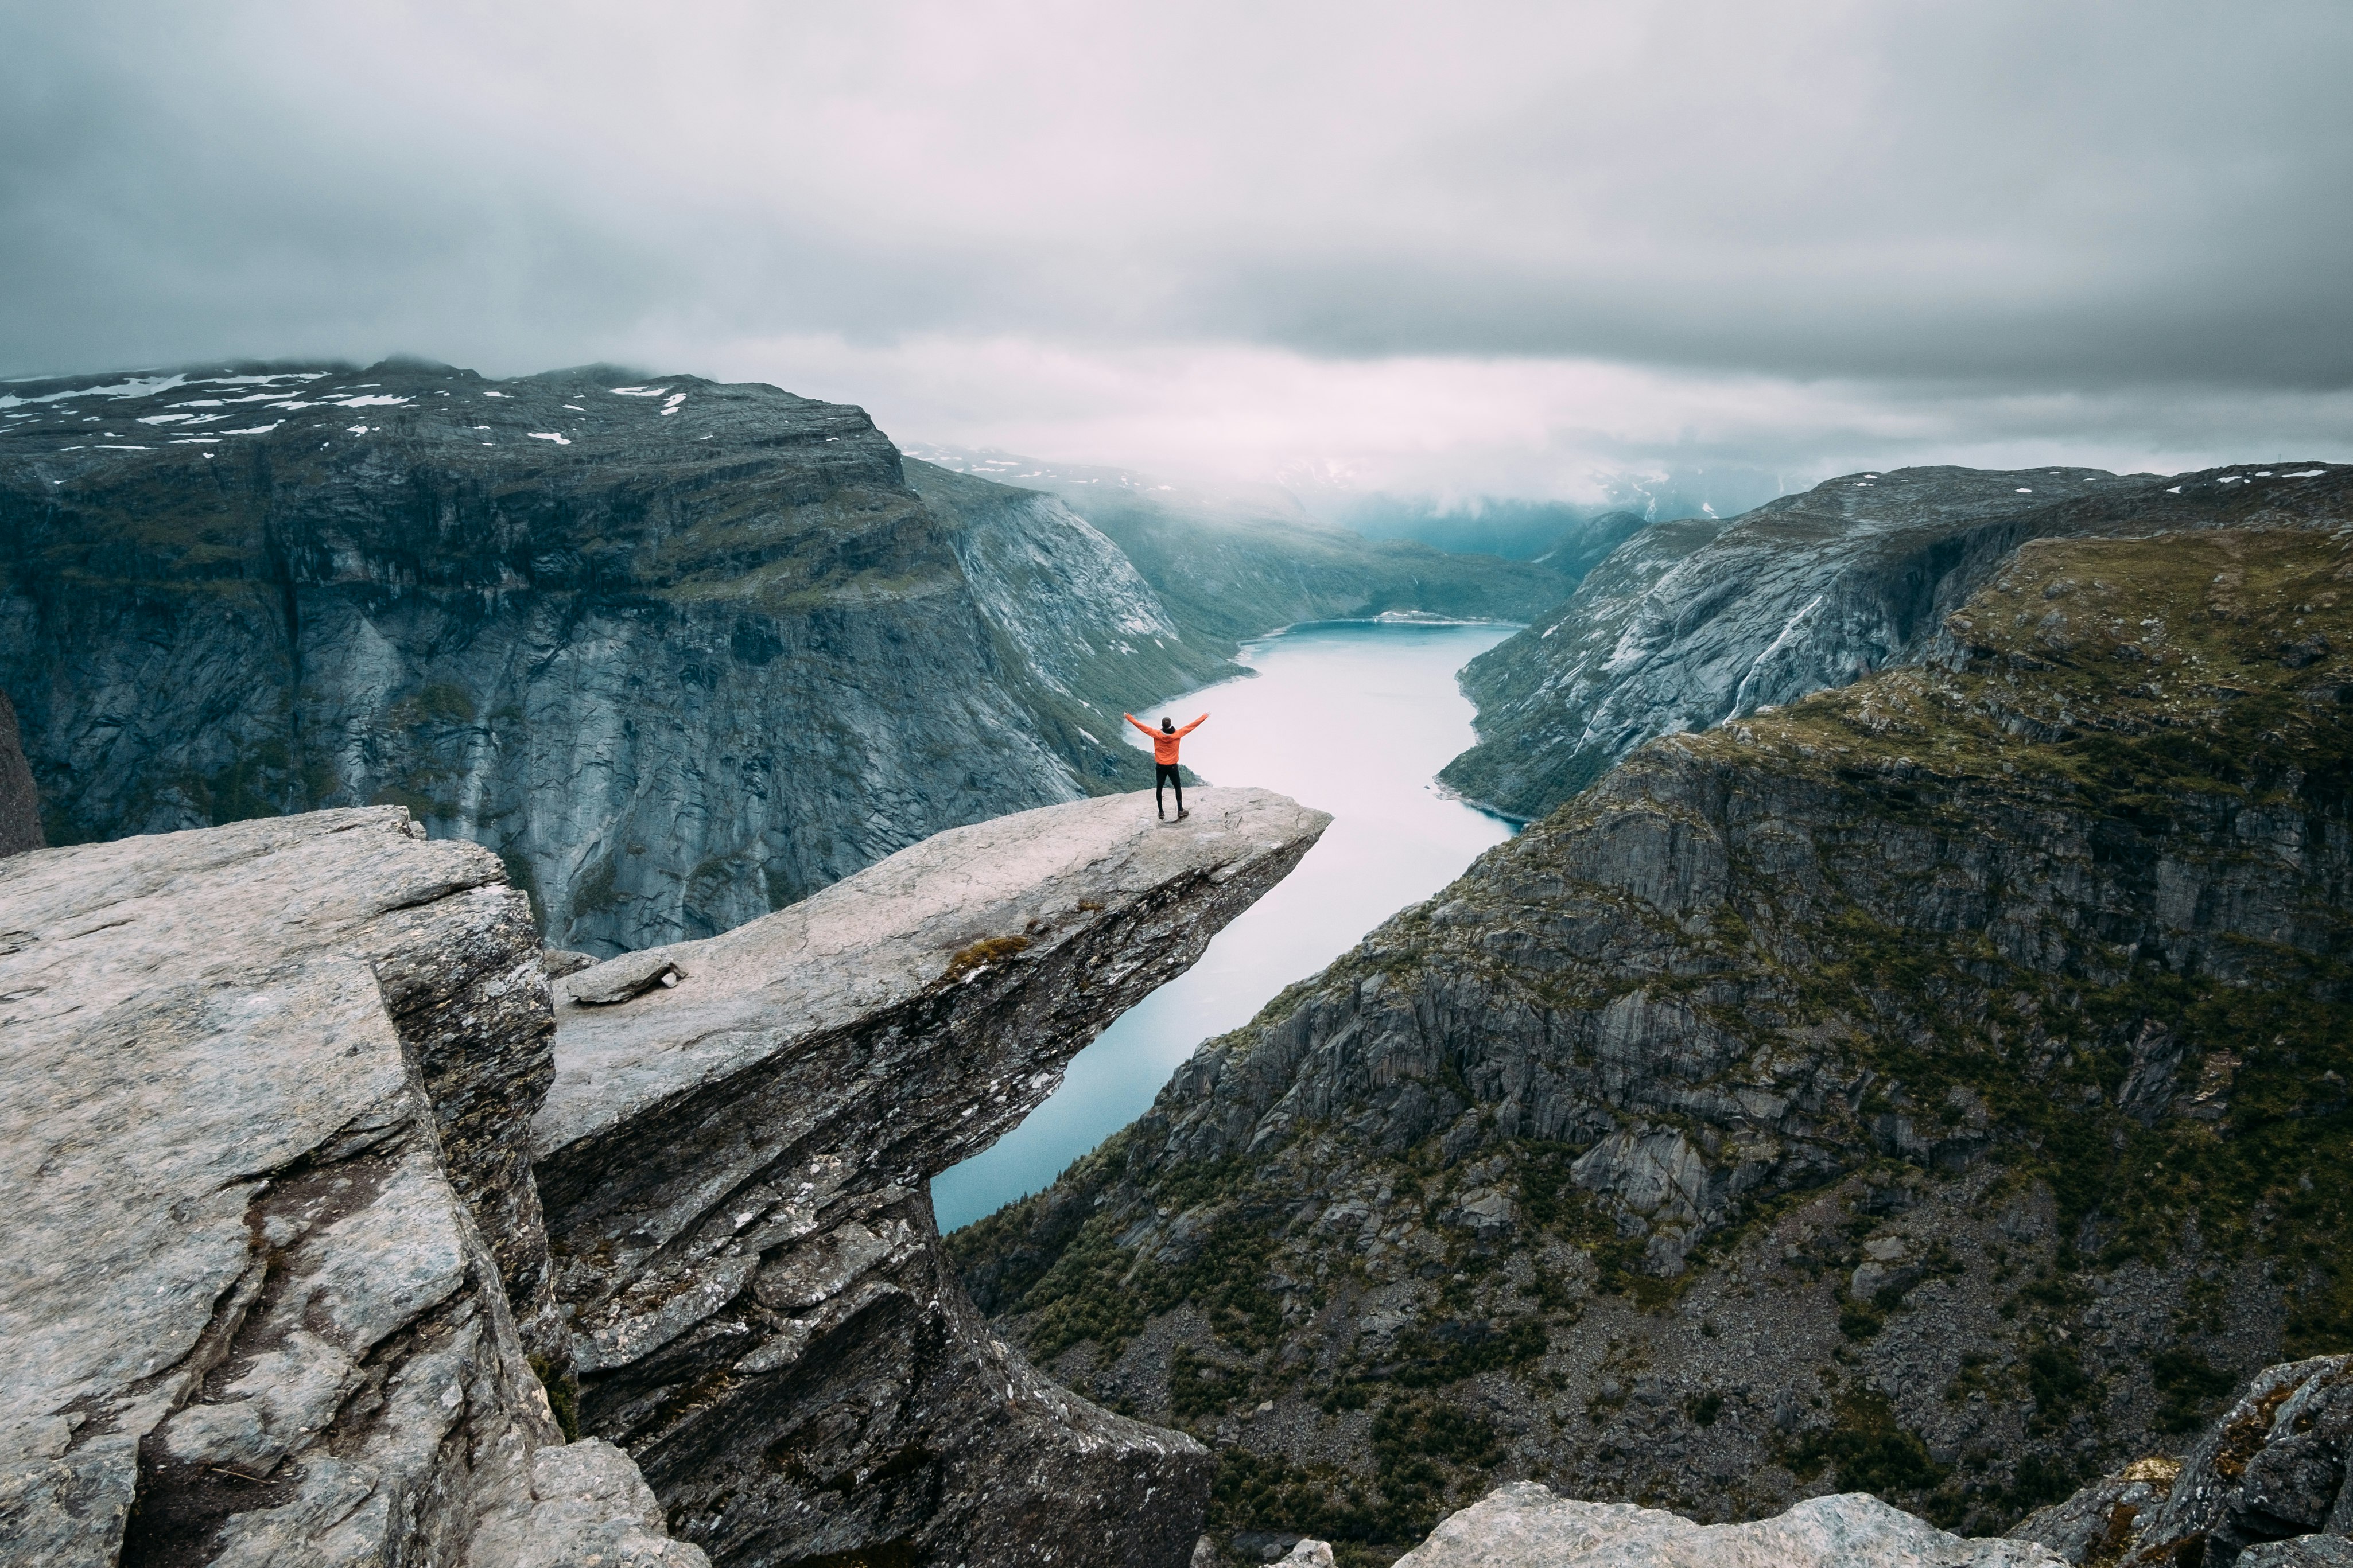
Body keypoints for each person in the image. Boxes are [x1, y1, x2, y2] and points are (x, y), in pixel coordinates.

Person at [1124, 711, 1207, 819]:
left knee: (1159, 788)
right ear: (1171, 725)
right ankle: (1180, 810)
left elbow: (1141, 726)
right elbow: (1191, 726)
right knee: (1177, 787)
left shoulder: (1156, 734)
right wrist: (1204, 717)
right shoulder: (1178, 734)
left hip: (1161, 766)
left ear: (1162, 726)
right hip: (1173, 766)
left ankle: (1161, 812)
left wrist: (1128, 717)